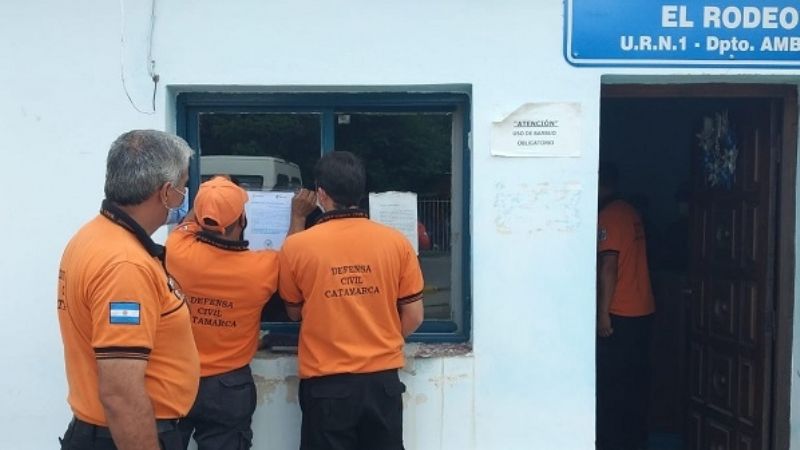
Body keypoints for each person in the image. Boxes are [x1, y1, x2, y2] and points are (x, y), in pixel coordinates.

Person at [57, 130, 199, 450]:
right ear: (166, 193)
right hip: (126, 436)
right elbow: (121, 393)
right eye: (183, 186)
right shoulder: (125, 265)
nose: (184, 197)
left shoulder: (94, 235)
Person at [278, 151, 425, 450]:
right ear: (360, 191)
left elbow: (294, 312)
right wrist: (380, 339)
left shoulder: (297, 246)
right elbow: (414, 315)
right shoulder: (396, 242)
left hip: (327, 386)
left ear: (321, 194)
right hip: (382, 383)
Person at [165, 176, 316, 450]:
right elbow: (292, 259)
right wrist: (298, 217)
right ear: (242, 220)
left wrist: (210, 195)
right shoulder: (260, 270)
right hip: (229, 386)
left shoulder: (177, 250)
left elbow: (188, 223)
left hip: (177, 379)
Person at [595, 162, 656, 450]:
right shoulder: (631, 212)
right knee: (635, 382)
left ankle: (614, 443)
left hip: (620, 313)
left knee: (613, 387)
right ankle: (635, 440)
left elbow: (609, 267)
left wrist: (602, 315)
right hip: (643, 310)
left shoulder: (608, 217)